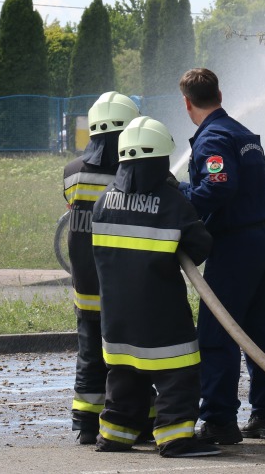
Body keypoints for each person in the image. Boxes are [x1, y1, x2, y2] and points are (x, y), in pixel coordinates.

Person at [90, 116, 219, 458]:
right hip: (160, 312)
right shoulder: (171, 202)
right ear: (161, 159)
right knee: (178, 371)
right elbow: (200, 246)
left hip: (116, 315)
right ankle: (175, 437)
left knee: (124, 374)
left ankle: (115, 435)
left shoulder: (104, 201)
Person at [178, 68, 265, 444]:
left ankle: (219, 420)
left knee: (218, 330)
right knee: (261, 330)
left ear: (187, 102)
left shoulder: (213, 138)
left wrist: (179, 202)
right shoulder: (242, 134)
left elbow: (218, 186)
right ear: (219, 94)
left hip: (237, 244)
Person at [62, 91, 140, 445]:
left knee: (90, 354)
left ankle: (86, 424)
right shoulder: (134, 173)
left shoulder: (72, 172)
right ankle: (134, 421)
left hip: (85, 283)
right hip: (124, 287)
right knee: (130, 357)